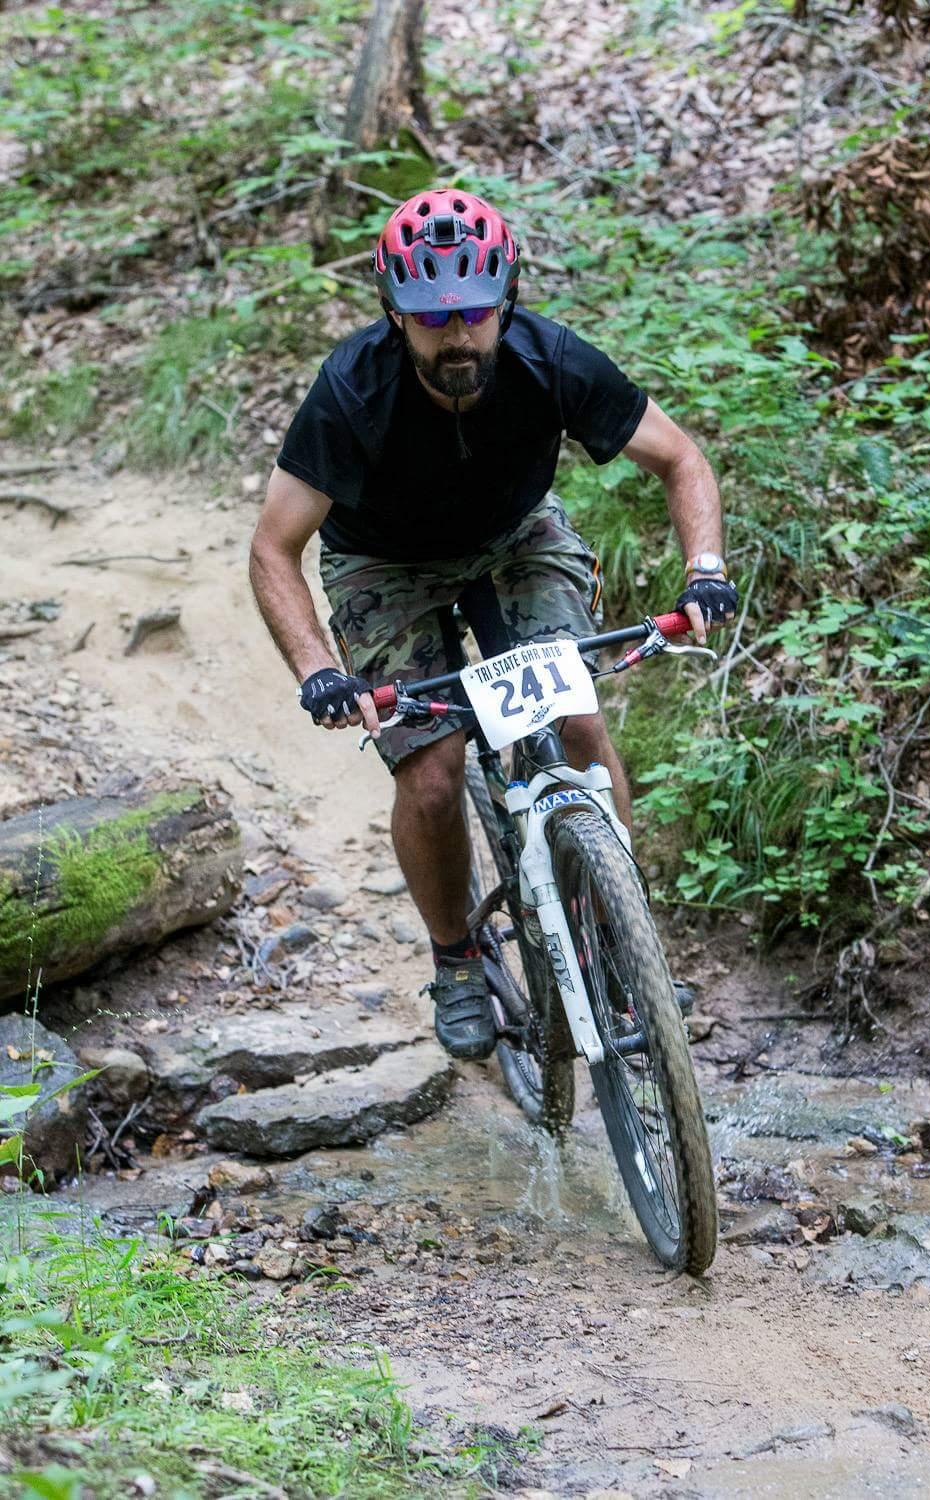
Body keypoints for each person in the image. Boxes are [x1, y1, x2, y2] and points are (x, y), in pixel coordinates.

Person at [249, 187, 737, 1062]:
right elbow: (274, 549)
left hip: (516, 538)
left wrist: (706, 569)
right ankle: (459, 958)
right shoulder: (351, 391)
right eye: (431, 318)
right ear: (393, 313)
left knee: (576, 720)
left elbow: (681, 458)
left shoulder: (551, 360)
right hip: (383, 565)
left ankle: (621, 938)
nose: (456, 336)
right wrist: (319, 670)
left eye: (474, 311)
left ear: (506, 298)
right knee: (433, 776)